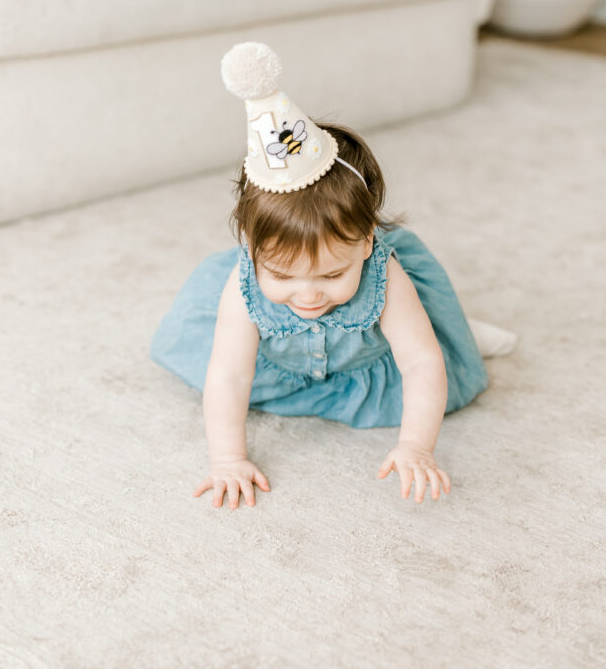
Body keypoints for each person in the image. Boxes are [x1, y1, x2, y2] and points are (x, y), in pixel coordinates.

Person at [150, 42, 516, 510]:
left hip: (368, 359)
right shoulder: (242, 287)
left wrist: (416, 446)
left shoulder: (384, 275)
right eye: (281, 274)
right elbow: (229, 375)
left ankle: (456, 330)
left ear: (365, 242)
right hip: (283, 367)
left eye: (332, 274)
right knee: (212, 368)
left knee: (439, 357)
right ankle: (447, 329)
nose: (307, 295)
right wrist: (227, 459)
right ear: (251, 248)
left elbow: (421, 366)